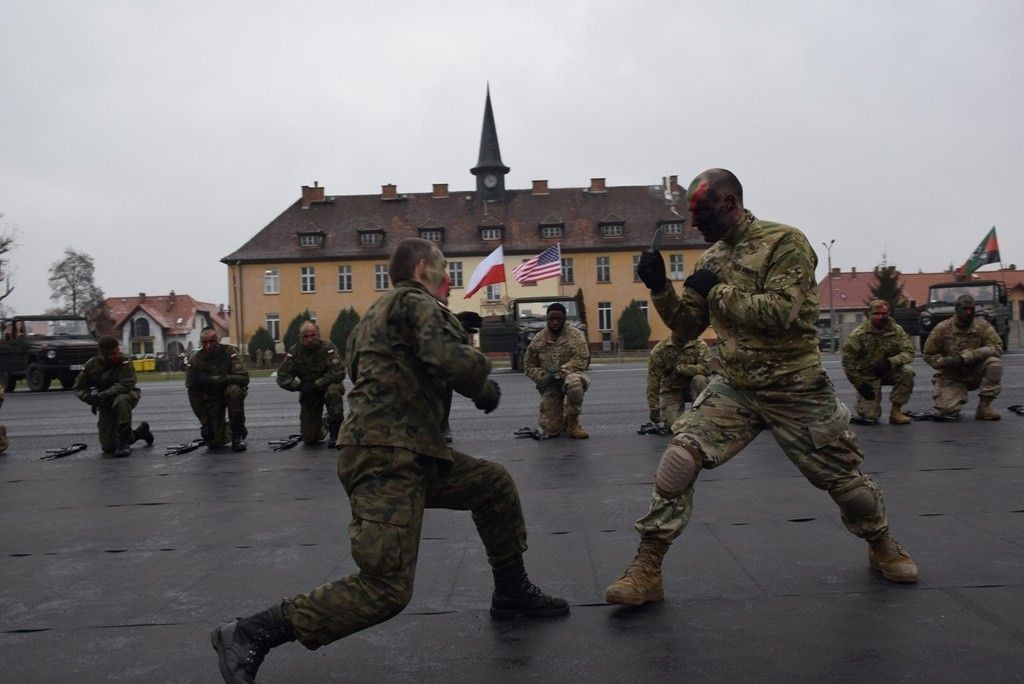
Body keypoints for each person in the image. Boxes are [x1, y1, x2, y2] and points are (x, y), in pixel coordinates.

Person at [211, 238, 567, 682]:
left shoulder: (368, 321)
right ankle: (251, 633)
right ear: (421, 269)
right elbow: (448, 358)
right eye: (444, 270)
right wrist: (483, 384)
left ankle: (511, 591)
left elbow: (375, 372)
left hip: (413, 452)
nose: (449, 281)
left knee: (492, 484)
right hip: (387, 459)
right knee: (386, 588)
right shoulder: (417, 302)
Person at [605, 169, 918, 607]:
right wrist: (659, 287)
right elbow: (686, 328)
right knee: (678, 461)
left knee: (848, 487)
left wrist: (716, 292)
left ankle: (882, 542)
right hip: (736, 386)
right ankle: (647, 568)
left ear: (730, 203)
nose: (695, 223)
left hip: (796, 387)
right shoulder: (710, 260)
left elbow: (778, 314)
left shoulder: (785, 243)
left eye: (702, 212)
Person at [923, 294, 1002, 420]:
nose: (969, 312)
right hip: (951, 375)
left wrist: (970, 356)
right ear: (957, 309)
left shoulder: (982, 326)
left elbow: (997, 347)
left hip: (974, 372)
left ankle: (984, 407)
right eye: (965, 309)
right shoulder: (942, 328)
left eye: (972, 309)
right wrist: (946, 361)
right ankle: (954, 398)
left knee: (994, 364)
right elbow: (928, 354)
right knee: (948, 411)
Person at [73, 335, 154, 456]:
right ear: (102, 355)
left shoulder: (125, 360)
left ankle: (124, 440)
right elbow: (79, 388)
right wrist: (89, 398)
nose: (117, 355)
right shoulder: (91, 365)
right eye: (113, 354)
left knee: (121, 400)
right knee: (108, 446)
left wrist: (101, 395)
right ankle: (141, 432)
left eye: (118, 351)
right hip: (105, 402)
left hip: (128, 395)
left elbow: (126, 384)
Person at [522, 303, 591, 439]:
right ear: (547, 319)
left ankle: (573, 424)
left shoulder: (576, 335)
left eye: (559, 319)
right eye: (551, 319)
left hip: (571, 375)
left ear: (564, 319)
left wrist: (557, 374)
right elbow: (528, 365)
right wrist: (541, 377)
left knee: (574, 384)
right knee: (552, 430)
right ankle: (562, 418)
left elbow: (581, 360)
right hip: (551, 384)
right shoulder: (539, 339)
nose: (555, 322)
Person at [841, 299, 915, 425]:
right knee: (870, 416)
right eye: (876, 314)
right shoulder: (858, 334)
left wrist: (891, 362)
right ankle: (861, 405)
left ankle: (896, 411)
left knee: (907, 371)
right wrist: (860, 385)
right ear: (869, 314)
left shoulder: (896, 330)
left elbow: (909, 352)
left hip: (889, 370)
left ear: (888, 314)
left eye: (883, 314)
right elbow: (847, 363)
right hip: (868, 375)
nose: (880, 317)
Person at [276, 321, 345, 447]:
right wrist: (299, 386)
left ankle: (336, 432)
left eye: (313, 335)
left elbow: (339, 371)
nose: (310, 339)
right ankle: (325, 422)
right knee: (309, 439)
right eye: (306, 337)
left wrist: (317, 384)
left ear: (318, 335)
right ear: (300, 337)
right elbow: (282, 377)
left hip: (327, 386)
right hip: (309, 392)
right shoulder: (295, 352)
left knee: (334, 390)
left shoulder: (328, 348)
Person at [186, 328, 249, 451]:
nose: (208, 346)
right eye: (204, 342)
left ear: (219, 340)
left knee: (234, 390)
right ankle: (226, 429)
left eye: (212, 342)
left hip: (230, 394)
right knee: (214, 443)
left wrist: (214, 379)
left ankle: (237, 433)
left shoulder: (230, 352)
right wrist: (204, 423)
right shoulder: (195, 361)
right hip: (212, 399)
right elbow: (193, 394)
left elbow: (244, 378)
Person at [646, 333, 710, 428]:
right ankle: (690, 421)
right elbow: (653, 381)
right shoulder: (660, 349)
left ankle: (701, 416)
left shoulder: (698, 344)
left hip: (693, 387)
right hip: (672, 389)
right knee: (673, 426)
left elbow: (708, 368)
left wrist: (683, 368)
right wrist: (654, 408)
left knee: (700, 379)